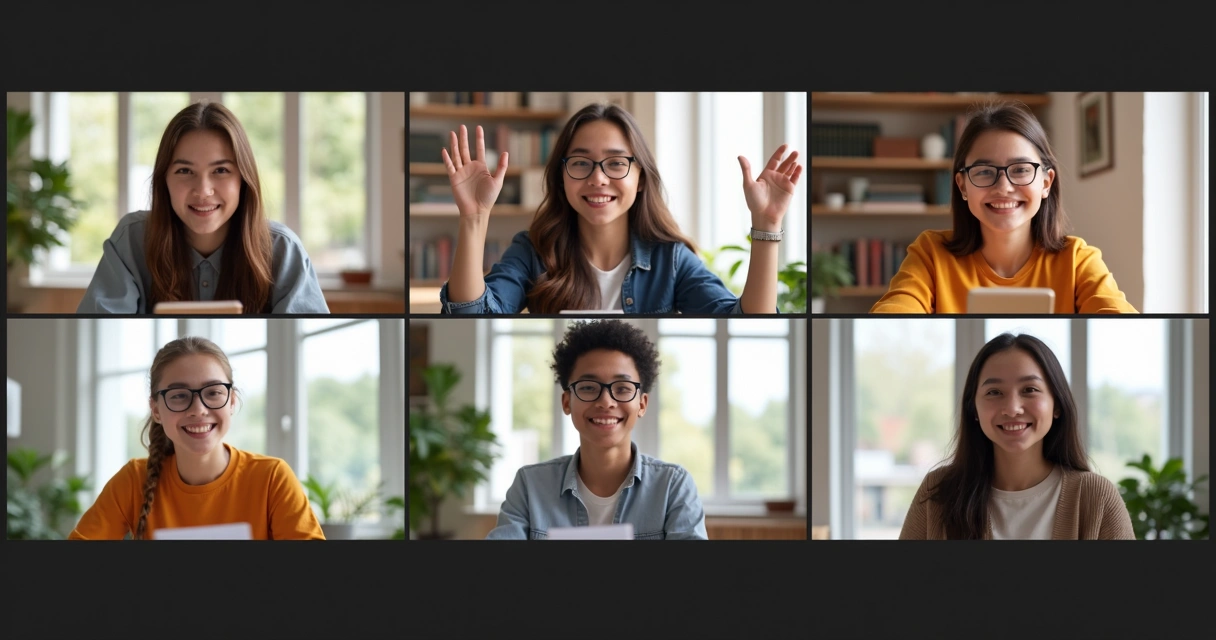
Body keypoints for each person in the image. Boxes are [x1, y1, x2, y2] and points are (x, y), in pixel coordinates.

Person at [438, 102, 802, 313]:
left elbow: (742, 322)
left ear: (640, 177)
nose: (598, 178)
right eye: (580, 163)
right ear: (561, 177)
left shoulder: (671, 260)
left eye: (616, 163)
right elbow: (472, 316)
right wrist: (474, 217)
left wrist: (767, 224)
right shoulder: (533, 251)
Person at [870, 101, 1137, 314]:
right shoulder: (930, 254)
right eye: (985, 171)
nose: (1004, 187)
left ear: (1046, 183)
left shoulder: (1078, 261)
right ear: (963, 186)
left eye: (1020, 169)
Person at [76, 101, 330, 314]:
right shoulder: (131, 240)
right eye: (184, 171)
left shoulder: (283, 250)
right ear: (164, 180)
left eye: (221, 170)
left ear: (243, 179)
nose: (203, 190)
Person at [69, 336, 325, 540]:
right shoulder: (134, 480)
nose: (198, 409)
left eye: (213, 392)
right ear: (156, 410)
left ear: (231, 401)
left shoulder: (272, 478)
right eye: (179, 395)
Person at [899, 332, 1135, 540]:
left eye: (1030, 390)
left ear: (1056, 405)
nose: (1012, 409)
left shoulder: (1096, 498)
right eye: (994, 392)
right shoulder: (938, 493)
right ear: (974, 410)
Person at [486, 319, 708, 539]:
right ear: (566, 402)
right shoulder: (530, 485)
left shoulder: (672, 486)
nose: (606, 402)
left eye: (622, 388)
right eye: (588, 388)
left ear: (642, 404)